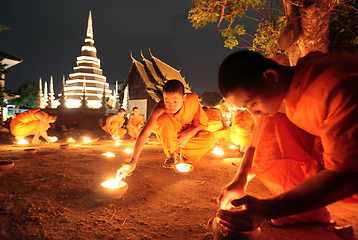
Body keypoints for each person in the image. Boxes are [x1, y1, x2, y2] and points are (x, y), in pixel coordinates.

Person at [215, 50, 358, 233]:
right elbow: (255, 143)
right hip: (333, 151)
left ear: (270, 76)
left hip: (350, 169)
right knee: (272, 123)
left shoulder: (334, 87)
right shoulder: (288, 86)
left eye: (252, 104)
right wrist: (239, 181)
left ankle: (305, 211)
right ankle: (303, 211)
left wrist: (270, 208)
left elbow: (347, 176)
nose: (254, 114)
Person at [116, 79, 216, 176]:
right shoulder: (160, 108)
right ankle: (173, 155)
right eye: (167, 101)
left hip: (187, 134)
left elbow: (202, 124)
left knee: (210, 138)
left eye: (175, 101)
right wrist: (133, 160)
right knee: (163, 119)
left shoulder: (192, 101)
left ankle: (185, 157)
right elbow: (145, 132)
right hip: (171, 137)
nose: (171, 106)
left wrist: (189, 134)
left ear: (184, 97)